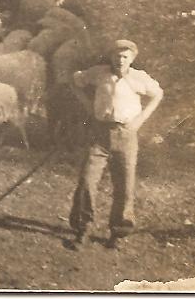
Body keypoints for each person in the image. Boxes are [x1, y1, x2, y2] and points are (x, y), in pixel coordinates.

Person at [68, 39, 163, 249]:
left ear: (132, 58)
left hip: (126, 136)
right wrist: (88, 106)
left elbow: (158, 94)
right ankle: (83, 229)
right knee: (87, 181)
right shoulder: (99, 73)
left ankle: (118, 233)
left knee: (124, 186)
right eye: (117, 56)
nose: (120, 60)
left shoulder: (139, 78)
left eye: (125, 57)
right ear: (111, 57)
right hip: (99, 135)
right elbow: (75, 81)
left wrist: (140, 120)